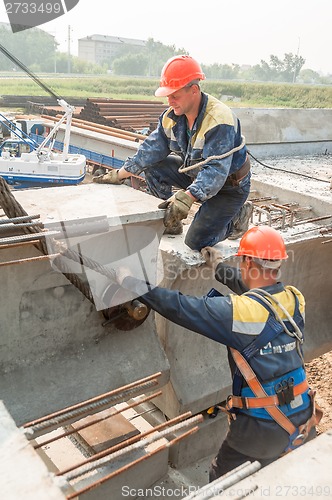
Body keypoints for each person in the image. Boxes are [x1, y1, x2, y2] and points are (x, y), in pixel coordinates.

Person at [113, 226, 322, 479]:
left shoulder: (237, 314)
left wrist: (131, 283)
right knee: (276, 479)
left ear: (246, 261)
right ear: (278, 264)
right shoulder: (295, 300)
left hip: (259, 431)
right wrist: (219, 267)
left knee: (221, 483)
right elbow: (259, 294)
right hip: (302, 419)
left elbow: (179, 306)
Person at [94, 54, 253, 251]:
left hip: (228, 187)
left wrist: (187, 198)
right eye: (168, 96)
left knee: (196, 241)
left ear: (193, 90)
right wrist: (119, 174)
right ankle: (170, 222)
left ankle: (237, 218)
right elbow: (151, 151)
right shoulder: (172, 117)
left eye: (175, 95)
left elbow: (215, 172)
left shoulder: (219, 120)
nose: (170, 101)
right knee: (154, 167)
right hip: (196, 175)